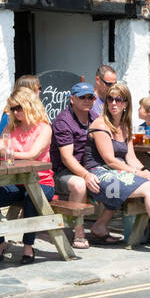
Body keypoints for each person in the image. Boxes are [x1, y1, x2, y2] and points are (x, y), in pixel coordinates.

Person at [85, 82, 150, 254]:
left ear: (125, 104)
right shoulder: (100, 125)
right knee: (149, 188)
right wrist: (137, 173)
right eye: (110, 99)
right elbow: (110, 160)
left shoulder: (125, 126)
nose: (113, 103)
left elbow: (130, 157)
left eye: (118, 100)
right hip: (100, 173)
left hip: (119, 171)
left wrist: (145, 171)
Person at [0, 87, 53, 265]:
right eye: (12, 109)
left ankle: (28, 247)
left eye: (18, 108)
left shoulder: (44, 128)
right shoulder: (12, 126)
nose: (15, 112)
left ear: (29, 106)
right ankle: (0, 243)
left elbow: (32, 154)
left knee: (31, 199)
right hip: (16, 181)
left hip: (41, 180)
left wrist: (8, 152)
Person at [50, 82, 102, 248]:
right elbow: (67, 158)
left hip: (90, 167)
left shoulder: (95, 117)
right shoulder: (63, 122)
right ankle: (78, 232)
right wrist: (86, 175)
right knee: (79, 185)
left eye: (90, 97)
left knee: (117, 180)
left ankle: (101, 227)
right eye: (82, 97)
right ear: (72, 99)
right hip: (62, 172)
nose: (87, 100)